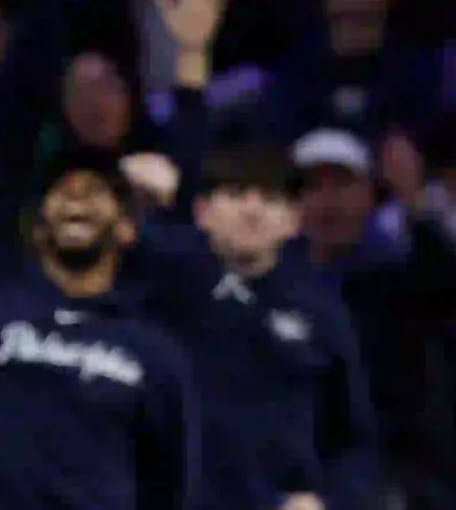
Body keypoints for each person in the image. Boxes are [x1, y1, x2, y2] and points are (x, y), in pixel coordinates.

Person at [0, 147, 197, 510]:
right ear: (40, 226)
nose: (77, 196)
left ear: (126, 228)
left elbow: (171, 489)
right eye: (62, 190)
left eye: (95, 190)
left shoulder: (152, 350)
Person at [123, 144, 376, 510]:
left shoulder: (322, 314)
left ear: (293, 219)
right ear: (202, 212)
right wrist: (123, 183)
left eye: (270, 198)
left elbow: (354, 438)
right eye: (235, 194)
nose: (252, 210)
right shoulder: (159, 288)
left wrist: (328, 501)